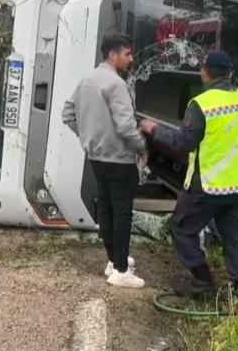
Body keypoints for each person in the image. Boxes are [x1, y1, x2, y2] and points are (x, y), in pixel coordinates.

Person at [140, 50, 238, 300]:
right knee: (235, 235)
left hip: (210, 185)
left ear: (205, 72)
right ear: (229, 73)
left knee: (182, 228)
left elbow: (184, 142)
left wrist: (154, 129)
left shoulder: (201, 104)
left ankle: (203, 281)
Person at [62, 33, 148, 289]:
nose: (131, 59)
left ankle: (113, 260)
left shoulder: (87, 80)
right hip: (120, 160)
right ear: (113, 55)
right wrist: (141, 146)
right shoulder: (116, 84)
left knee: (107, 210)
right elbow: (125, 126)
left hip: (96, 158)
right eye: (127, 54)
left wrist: (87, 135)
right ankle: (121, 271)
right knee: (122, 213)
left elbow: (67, 114)